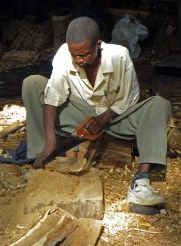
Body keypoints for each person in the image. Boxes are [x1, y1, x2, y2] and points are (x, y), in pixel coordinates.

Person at [22, 16, 171, 206]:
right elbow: (53, 96)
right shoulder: (64, 55)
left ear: (98, 45)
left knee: (159, 104)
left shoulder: (119, 56)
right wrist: (51, 142)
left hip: (117, 118)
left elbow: (128, 99)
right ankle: (41, 163)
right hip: (80, 116)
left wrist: (103, 118)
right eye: (74, 54)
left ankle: (141, 182)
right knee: (33, 83)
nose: (79, 59)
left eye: (84, 54)